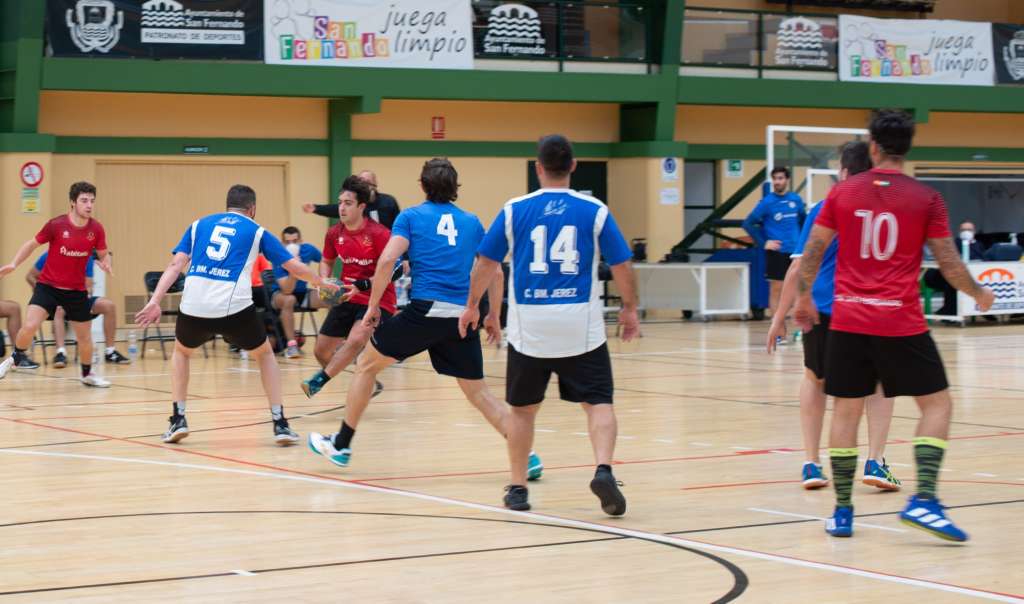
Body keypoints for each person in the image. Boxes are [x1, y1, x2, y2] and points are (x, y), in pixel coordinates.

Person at [794, 110, 994, 542]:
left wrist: (803, 298)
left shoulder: (843, 192)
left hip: (848, 320)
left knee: (846, 410)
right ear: (908, 147)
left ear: (873, 145)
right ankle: (924, 500)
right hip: (900, 321)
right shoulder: (926, 198)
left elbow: (813, 251)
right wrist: (978, 292)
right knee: (937, 406)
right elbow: (948, 262)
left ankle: (842, 511)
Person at [307, 158, 542, 481]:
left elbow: (388, 260)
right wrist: (491, 315)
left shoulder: (411, 217)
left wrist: (373, 306)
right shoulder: (472, 222)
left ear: (422, 185)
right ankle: (526, 456)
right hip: (461, 317)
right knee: (479, 393)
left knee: (366, 365)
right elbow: (495, 271)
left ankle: (341, 445)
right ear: (455, 187)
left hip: (426, 312)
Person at [460, 134, 640, 515]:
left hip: (531, 327)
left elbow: (486, 263)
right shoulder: (595, 210)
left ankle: (518, 488)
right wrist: (629, 308)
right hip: (581, 327)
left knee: (523, 410)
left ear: (538, 168)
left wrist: (473, 305)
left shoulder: (514, 210)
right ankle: (604, 469)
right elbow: (622, 264)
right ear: (573, 166)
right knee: (598, 403)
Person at [134, 184, 343, 445]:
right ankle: (280, 423)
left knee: (182, 352)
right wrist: (321, 283)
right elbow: (293, 267)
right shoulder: (257, 230)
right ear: (252, 209)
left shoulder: (198, 225)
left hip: (194, 305)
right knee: (264, 355)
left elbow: (175, 265)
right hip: (233, 307)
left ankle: (178, 419)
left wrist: (155, 300)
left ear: (228, 205)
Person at [767, 141, 900, 492]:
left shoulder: (825, 208)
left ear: (843, 172)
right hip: (872, 309)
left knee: (815, 380)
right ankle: (875, 460)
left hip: (824, 309)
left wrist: (779, 316)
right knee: (879, 384)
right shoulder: (887, 211)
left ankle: (812, 464)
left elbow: (798, 266)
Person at [0, 181, 113, 386]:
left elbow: (104, 254)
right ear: (73, 202)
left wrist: (106, 263)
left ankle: (87, 374)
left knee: (85, 338)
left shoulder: (96, 229)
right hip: (48, 287)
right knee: (30, 326)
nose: (89, 205)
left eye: (92, 201)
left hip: (76, 291)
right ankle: (14, 359)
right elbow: (31, 244)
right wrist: (14, 264)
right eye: (84, 200)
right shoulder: (56, 225)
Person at [302, 176, 395, 397]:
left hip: (377, 298)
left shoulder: (379, 234)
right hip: (347, 296)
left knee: (355, 340)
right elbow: (326, 261)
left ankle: (318, 381)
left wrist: (366, 286)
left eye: (348, 203)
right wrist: (324, 280)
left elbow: (393, 270)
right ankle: (367, 383)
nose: (341, 208)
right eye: (340, 203)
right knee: (321, 351)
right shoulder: (334, 233)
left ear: (361, 207)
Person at [26, 252, 130, 367]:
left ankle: (110, 352)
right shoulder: (49, 255)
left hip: (77, 298)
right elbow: (30, 276)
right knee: (58, 309)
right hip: (54, 301)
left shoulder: (86, 257)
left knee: (108, 306)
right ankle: (61, 353)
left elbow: (88, 287)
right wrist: (43, 293)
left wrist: (82, 297)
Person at [743, 167, 806, 322]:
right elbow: (748, 223)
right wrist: (764, 243)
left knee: (798, 289)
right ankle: (777, 327)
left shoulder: (796, 200)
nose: (777, 182)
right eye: (775, 179)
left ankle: (799, 328)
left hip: (795, 252)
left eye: (780, 178)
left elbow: (804, 221)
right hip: (777, 252)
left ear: (787, 180)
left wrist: (802, 242)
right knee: (776, 289)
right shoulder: (767, 202)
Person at [270, 226, 323, 358]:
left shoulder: (308, 249)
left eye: (295, 241)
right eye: (287, 242)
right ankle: (292, 346)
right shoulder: (278, 256)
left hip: (302, 293)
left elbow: (325, 260)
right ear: (282, 243)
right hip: (280, 295)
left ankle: (339, 341)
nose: (291, 245)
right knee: (289, 299)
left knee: (333, 297)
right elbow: (287, 290)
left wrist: (322, 279)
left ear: (300, 241)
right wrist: (294, 267)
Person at [923, 221, 986, 315]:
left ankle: (984, 310)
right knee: (953, 283)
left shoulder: (979, 245)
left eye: (969, 230)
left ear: (974, 231)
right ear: (959, 232)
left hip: (973, 276)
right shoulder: (954, 243)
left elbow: (982, 259)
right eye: (963, 230)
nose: (966, 232)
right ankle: (949, 312)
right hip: (947, 275)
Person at [303, 169, 401, 229]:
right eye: (361, 182)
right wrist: (316, 208)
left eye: (368, 182)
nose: (365, 186)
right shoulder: (356, 202)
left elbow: (399, 226)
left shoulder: (389, 201)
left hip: (388, 247)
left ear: (375, 185)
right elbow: (336, 209)